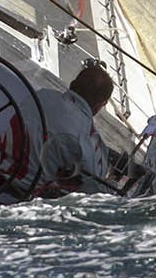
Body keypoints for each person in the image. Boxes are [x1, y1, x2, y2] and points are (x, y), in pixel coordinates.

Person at [36, 60, 115, 193]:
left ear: (72, 85)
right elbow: (94, 188)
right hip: (23, 194)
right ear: (101, 104)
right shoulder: (87, 138)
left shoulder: (42, 95)